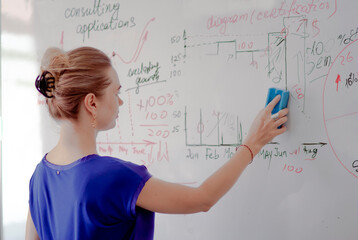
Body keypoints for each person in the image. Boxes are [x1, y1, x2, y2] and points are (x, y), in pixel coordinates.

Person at [26, 46, 288, 240]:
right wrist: (253, 143)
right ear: (92, 103)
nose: (120, 103)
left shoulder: (39, 178)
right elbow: (202, 199)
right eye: (116, 93)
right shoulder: (113, 177)